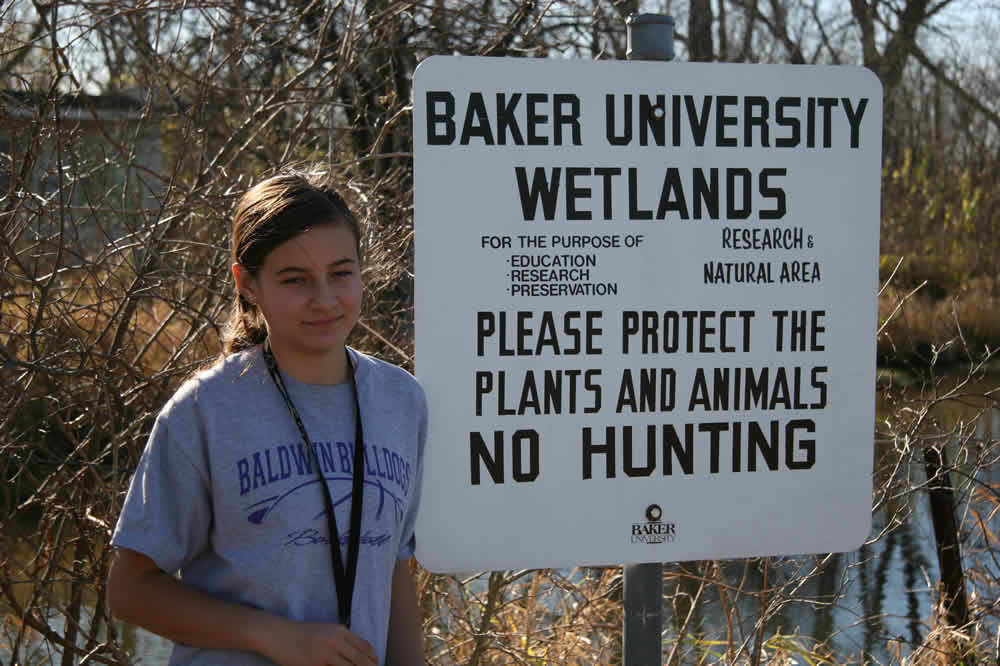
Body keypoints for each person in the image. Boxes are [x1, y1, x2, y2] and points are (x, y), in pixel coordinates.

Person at [107, 171, 427, 666]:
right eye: (295, 280)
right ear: (248, 283)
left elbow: (393, 572)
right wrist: (272, 635)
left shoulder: (402, 400)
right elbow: (131, 591)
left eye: (341, 273)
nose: (324, 299)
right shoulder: (204, 410)